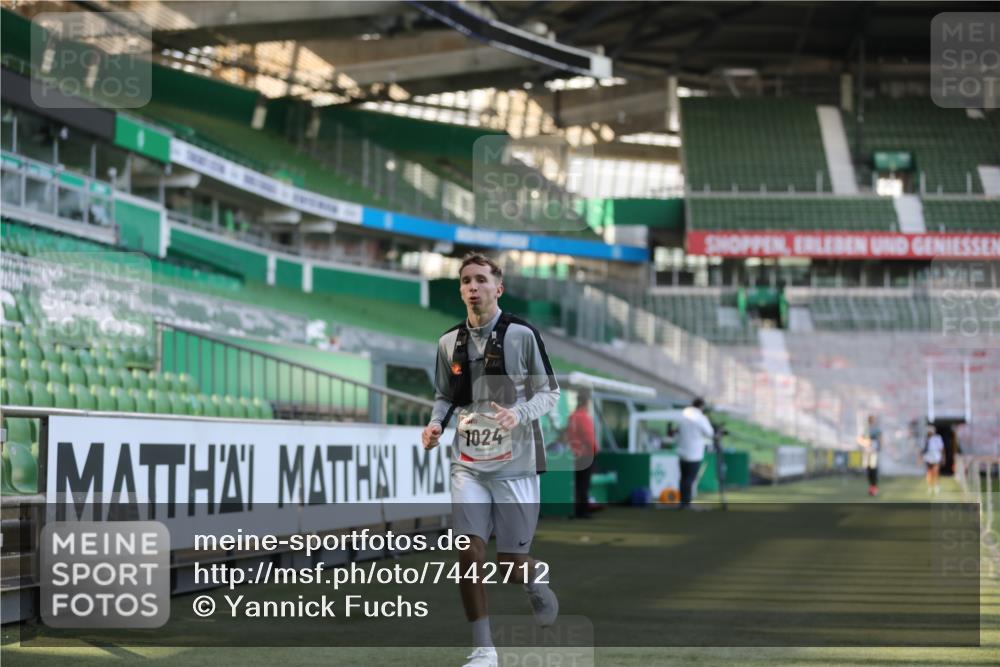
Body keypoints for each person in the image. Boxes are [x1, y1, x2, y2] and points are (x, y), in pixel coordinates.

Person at [421, 253, 560, 667]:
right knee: (467, 551)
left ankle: (535, 580)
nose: (473, 287)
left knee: (510, 565)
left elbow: (550, 392)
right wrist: (435, 424)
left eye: (481, 280)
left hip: (515, 463)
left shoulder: (522, 335)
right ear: (460, 290)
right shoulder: (448, 342)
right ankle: (484, 650)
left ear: (498, 288)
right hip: (467, 462)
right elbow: (444, 396)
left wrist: (519, 413)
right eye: (466, 280)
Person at [675, 398, 714, 510]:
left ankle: (683, 502)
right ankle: (686, 503)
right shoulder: (700, 418)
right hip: (694, 453)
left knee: (683, 478)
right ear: (701, 406)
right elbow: (710, 432)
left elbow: (677, 430)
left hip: (682, 451)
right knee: (690, 478)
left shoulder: (682, 415)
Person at [565, 390, 597, 519]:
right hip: (586, 454)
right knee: (584, 484)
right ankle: (583, 511)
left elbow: (567, 435)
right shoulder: (584, 417)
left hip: (574, 454)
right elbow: (589, 437)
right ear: (587, 402)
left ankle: (576, 510)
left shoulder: (572, 416)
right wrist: (595, 450)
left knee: (577, 484)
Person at [857, 414, 882, 497]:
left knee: (873, 469)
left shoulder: (877, 429)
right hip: (867, 452)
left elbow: (880, 438)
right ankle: (871, 486)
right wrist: (865, 443)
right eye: (871, 420)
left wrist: (878, 447)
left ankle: (874, 487)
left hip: (873, 452)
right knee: (868, 470)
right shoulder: (865, 429)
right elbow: (860, 439)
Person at [923, 423, 944, 496]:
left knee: (936, 472)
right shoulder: (926, 438)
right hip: (928, 457)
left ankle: (936, 486)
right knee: (929, 473)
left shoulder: (938, 438)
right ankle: (930, 487)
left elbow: (941, 448)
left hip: (936, 457)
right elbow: (923, 449)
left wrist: (942, 457)